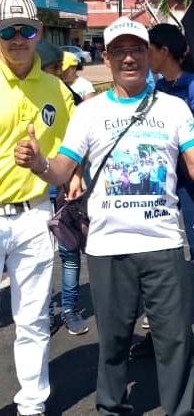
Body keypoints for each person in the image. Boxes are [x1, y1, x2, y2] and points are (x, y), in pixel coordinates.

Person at [15, 16, 194, 416]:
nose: (129, 58)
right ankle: (111, 407)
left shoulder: (174, 108)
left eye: (137, 49)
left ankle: (178, 410)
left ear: (148, 55)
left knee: (174, 340)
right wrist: (40, 164)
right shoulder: (89, 112)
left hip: (162, 243)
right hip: (107, 246)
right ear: (108, 57)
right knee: (113, 341)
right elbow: (63, 170)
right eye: (119, 51)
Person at [129, 23, 194, 363]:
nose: (144, 56)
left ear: (164, 51)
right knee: (157, 255)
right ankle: (158, 331)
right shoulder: (157, 86)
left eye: (148, 49)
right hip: (163, 180)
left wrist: (188, 136)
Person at [0, 0, 74, 416]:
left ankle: (32, 405)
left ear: (39, 33)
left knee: (31, 319)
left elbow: (70, 151)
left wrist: (50, 165)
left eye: (24, 29)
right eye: (6, 31)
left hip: (34, 214)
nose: (16, 38)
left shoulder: (55, 90)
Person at [36, 40, 89, 336]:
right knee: (36, 259)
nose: (59, 73)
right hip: (27, 193)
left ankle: (68, 309)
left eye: (59, 68)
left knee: (68, 252)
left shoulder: (67, 97)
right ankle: (41, 313)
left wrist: (77, 175)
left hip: (61, 184)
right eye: (53, 68)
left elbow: (80, 143)